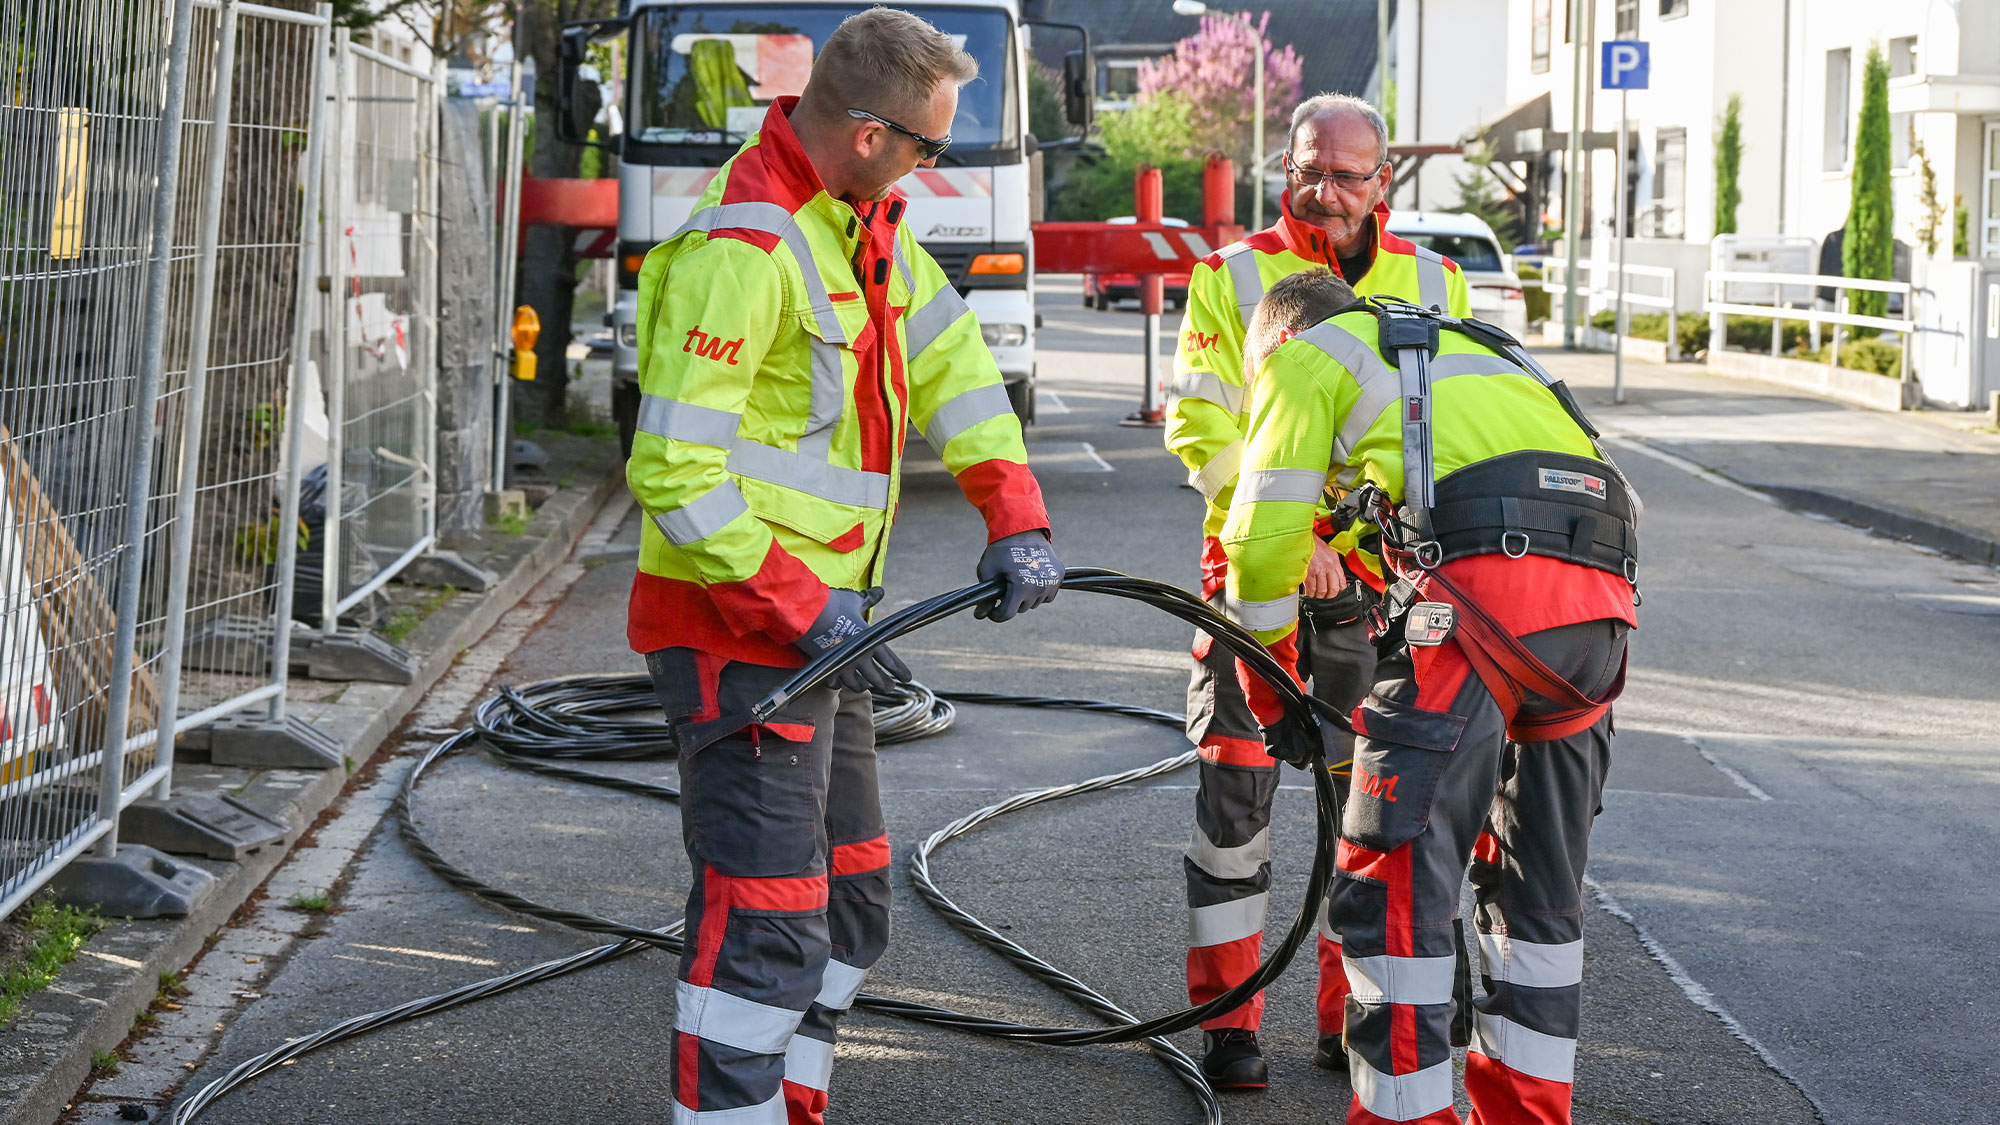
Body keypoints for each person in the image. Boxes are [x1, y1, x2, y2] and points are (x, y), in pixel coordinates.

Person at [625, 11, 1065, 1123]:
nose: (932, 165)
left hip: (821, 635)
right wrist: (798, 606)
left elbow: (957, 364)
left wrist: (1013, 515)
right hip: (744, 639)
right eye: (927, 145)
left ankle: (793, 1105)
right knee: (766, 923)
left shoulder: (861, 229)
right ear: (869, 133)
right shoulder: (749, 244)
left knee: (850, 907)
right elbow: (673, 470)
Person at [1220, 267, 1638, 1125]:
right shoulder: (1471, 347)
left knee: (1394, 878)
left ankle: (1404, 1118)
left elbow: (1259, 550)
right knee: (1537, 894)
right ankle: (1525, 1113)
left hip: (1483, 603)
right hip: (1600, 611)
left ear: (1276, 351)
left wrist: (1274, 697)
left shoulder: (1304, 360)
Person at [1164, 93, 1474, 1088]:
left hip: (1380, 597)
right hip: (1250, 575)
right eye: (1308, 171)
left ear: (1383, 181)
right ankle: (1227, 1020)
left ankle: (1351, 1022)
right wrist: (1290, 536)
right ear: (1281, 171)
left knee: (1371, 814)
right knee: (1234, 805)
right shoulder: (1227, 277)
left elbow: (1438, 435)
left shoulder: (1435, 282)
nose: (1325, 193)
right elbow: (1200, 427)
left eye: (1346, 175)